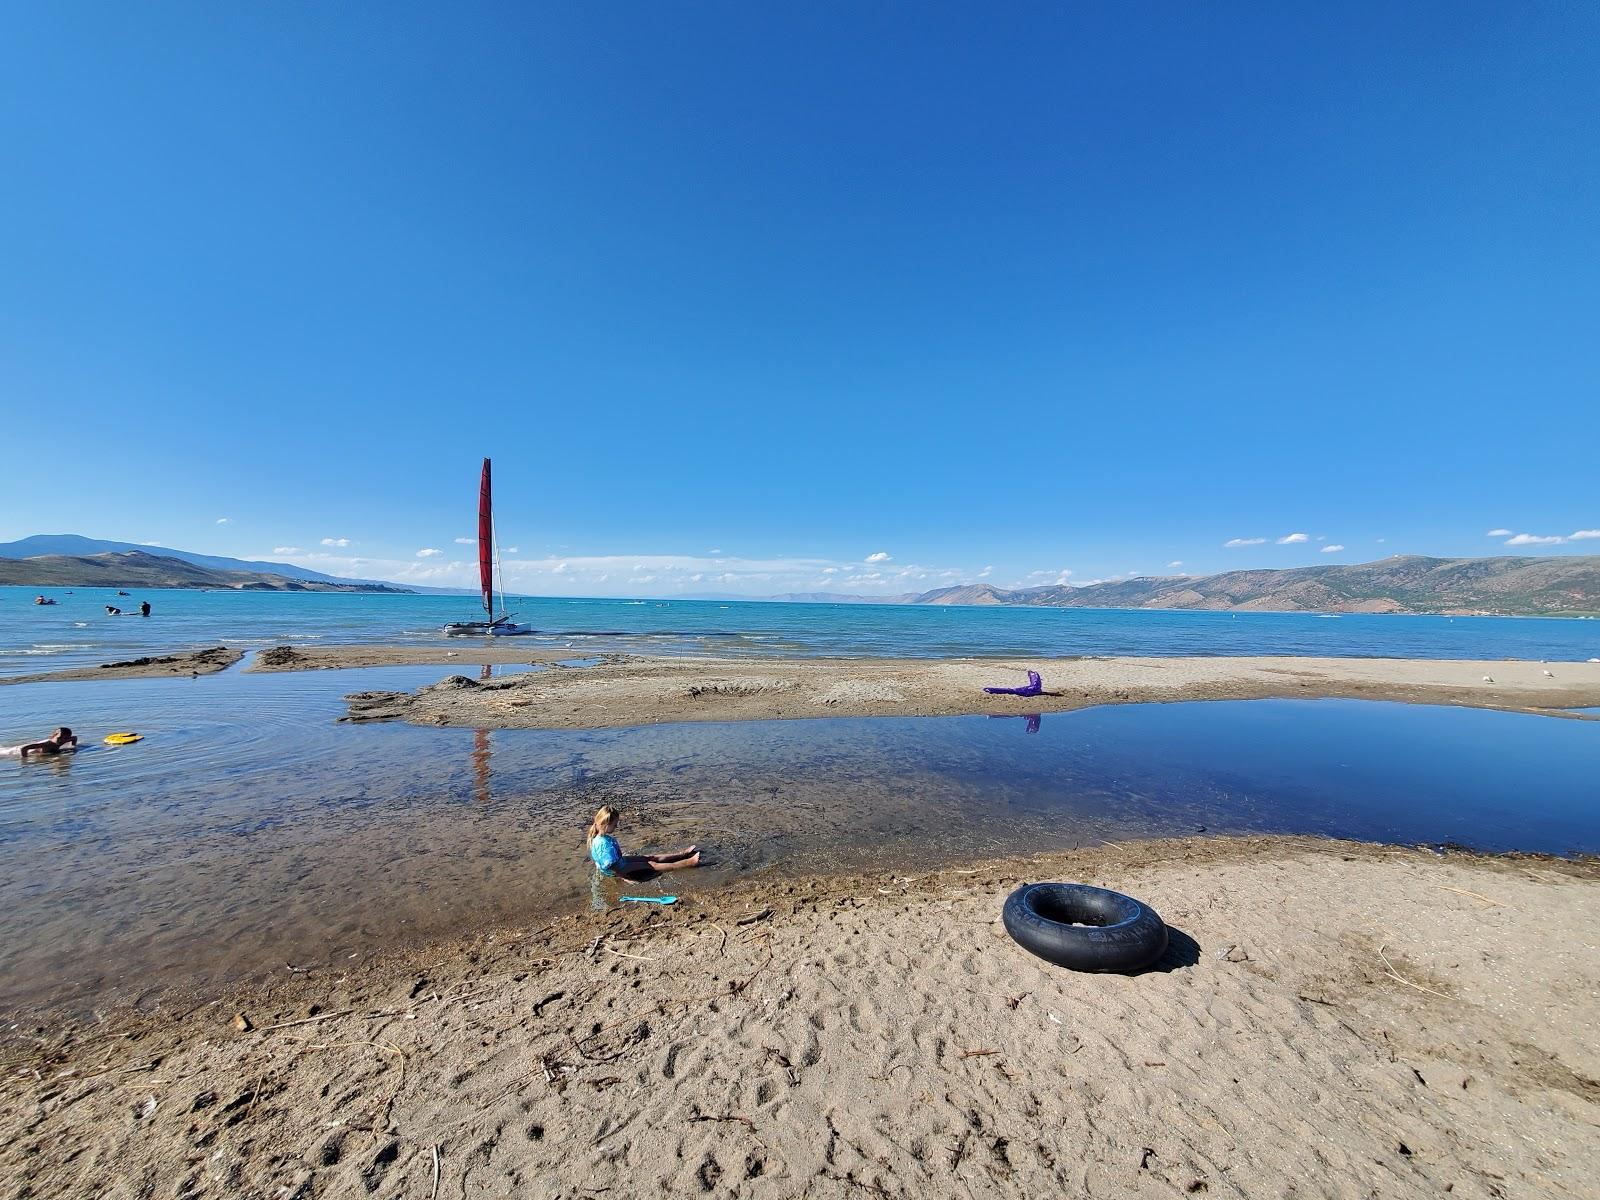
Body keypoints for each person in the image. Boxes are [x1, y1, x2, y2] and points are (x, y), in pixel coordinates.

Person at [586, 804, 700, 876]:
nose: (617, 826)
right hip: (619, 868)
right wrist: (624, 878)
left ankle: (683, 854)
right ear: (606, 824)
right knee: (651, 864)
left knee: (649, 857)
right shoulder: (604, 844)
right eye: (615, 824)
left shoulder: (598, 837)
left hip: (619, 862)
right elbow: (611, 866)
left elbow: (600, 862)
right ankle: (689, 862)